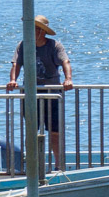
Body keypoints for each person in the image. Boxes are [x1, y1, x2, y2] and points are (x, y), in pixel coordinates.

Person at [6, 15, 74, 171]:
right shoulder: (23, 45)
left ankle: (58, 165)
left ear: (43, 31)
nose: (32, 31)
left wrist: (68, 79)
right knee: (31, 132)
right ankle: (32, 165)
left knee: (55, 132)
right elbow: (16, 64)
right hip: (31, 94)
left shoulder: (54, 45)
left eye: (36, 28)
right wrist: (12, 80)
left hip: (52, 94)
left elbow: (65, 62)